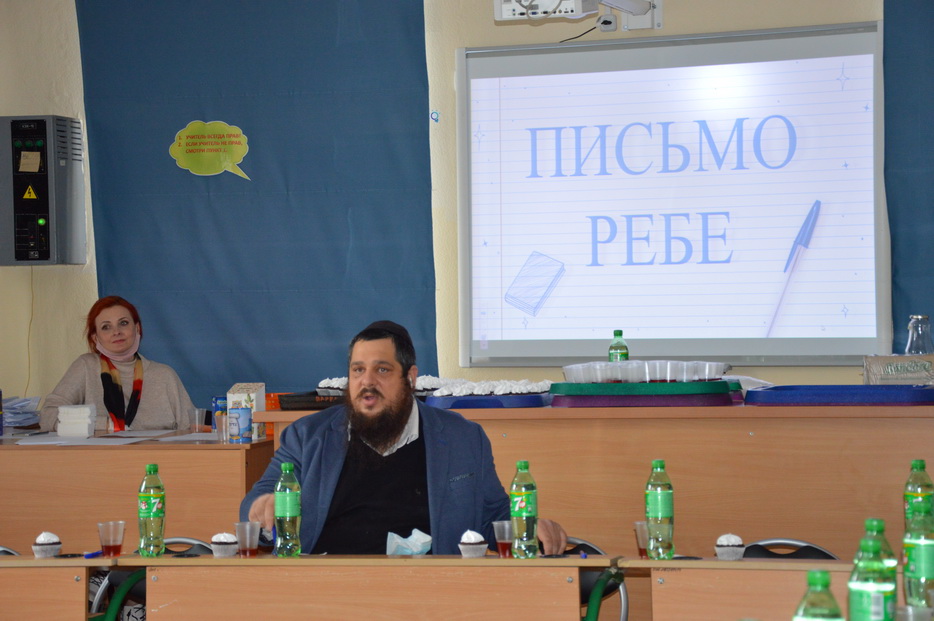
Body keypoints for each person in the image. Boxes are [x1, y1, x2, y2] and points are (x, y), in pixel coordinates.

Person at [241, 320, 567, 555]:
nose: (367, 382)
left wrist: (529, 526)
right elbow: (256, 503)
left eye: (382, 370)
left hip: (427, 591)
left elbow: (492, 516)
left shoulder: (463, 438)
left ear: (410, 378)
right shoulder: (307, 436)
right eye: (357, 370)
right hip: (327, 587)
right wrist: (261, 507)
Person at [38, 296, 197, 432]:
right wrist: (105, 424)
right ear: (95, 337)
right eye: (106, 327)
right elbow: (48, 417)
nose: (116, 332)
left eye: (123, 323)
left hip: (157, 456)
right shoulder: (86, 366)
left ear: (137, 328)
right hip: (102, 457)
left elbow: (194, 427)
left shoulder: (164, 375)